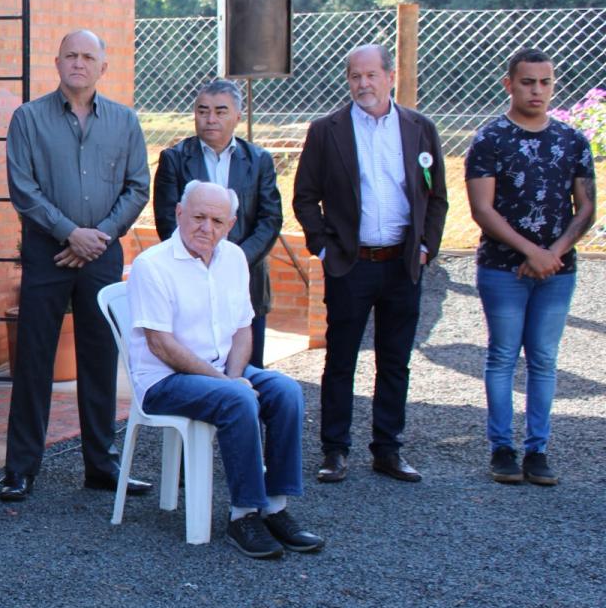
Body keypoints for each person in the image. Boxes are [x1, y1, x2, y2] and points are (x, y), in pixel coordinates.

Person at [128, 181, 325, 559]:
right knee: (237, 399)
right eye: (198, 217)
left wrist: (234, 377)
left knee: (286, 391)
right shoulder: (152, 265)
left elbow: (242, 329)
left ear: (230, 224)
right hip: (164, 380)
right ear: (179, 214)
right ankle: (243, 515)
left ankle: (275, 507)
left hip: (222, 371)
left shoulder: (233, 258)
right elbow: (161, 346)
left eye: (217, 221)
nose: (207, 228)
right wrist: (229, 383)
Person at [0, 29, 152, 502]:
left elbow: (137, 187)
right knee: (33, 361)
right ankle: (20, 468)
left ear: (103, 66)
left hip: (101, 255)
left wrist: (96, 236)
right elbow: (23, 188)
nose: (79, 63)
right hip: (47, 255)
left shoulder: (125, 121)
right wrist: (70, 233)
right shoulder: (28, 119)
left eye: (88, 56)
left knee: (101, 360)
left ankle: (101, 465)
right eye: (71, 55)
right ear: (58, 62)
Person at [293, 43, 448, 484]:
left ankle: (388, 449)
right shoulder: (327, 130)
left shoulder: (419, 128)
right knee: (341, 360)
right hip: (351, 264)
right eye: (355, 76)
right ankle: (334, 450)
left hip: (402, 263)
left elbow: (436, 196)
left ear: (390, 76)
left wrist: (425, 248)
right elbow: (305, 196)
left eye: (371, 75)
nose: (363, 84)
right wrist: (324, 248)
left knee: (395, 360)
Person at [465, 47, 595, 485]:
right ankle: (502, 448)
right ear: (509, 84)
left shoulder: (572, 141)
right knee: (503, 356)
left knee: (543, 358)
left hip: (557, 271)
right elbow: (482, 209)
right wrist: (530, 252)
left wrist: (551, 254)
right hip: (503, 269)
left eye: (545, 82)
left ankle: (537, 450)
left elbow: (586, 207)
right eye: (527, 82)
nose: (536, 90)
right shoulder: (489, 139)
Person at [152, 78, 282, 368]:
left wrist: (234, 261)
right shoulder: (174, 159)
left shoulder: (259, 160)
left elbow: (270, 219)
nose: (210, 119)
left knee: (247, 368)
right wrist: (201, 261)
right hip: (190, 279)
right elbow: (168, 220)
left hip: (246, 276)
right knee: (196, 369)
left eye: (220, 111)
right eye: (202, 111)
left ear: (237, 116)